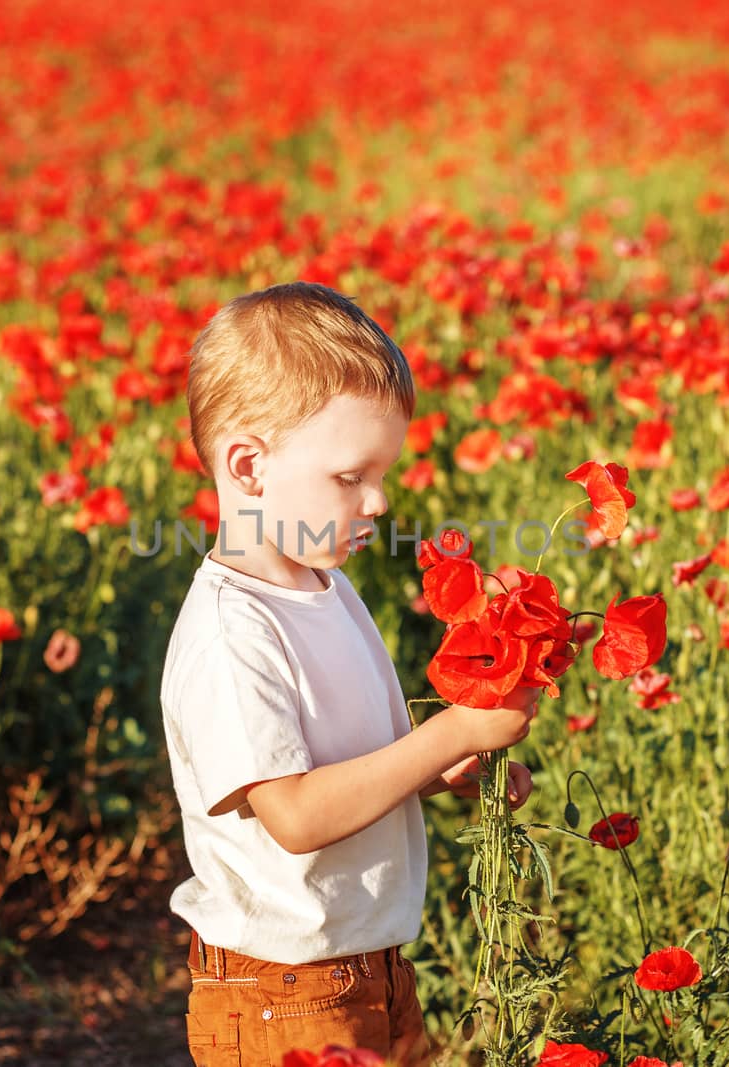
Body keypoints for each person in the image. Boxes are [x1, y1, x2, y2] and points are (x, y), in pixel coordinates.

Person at [162, 281, 538, 1066]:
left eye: (383, 473)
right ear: (248, 467)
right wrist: (448, 731)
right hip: (282, 994)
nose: (378, 499)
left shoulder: (326, 589)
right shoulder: (233, 632)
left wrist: (448, 767)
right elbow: (294, 814)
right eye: (349, 476)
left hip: (370, 966)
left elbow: (345, 766)